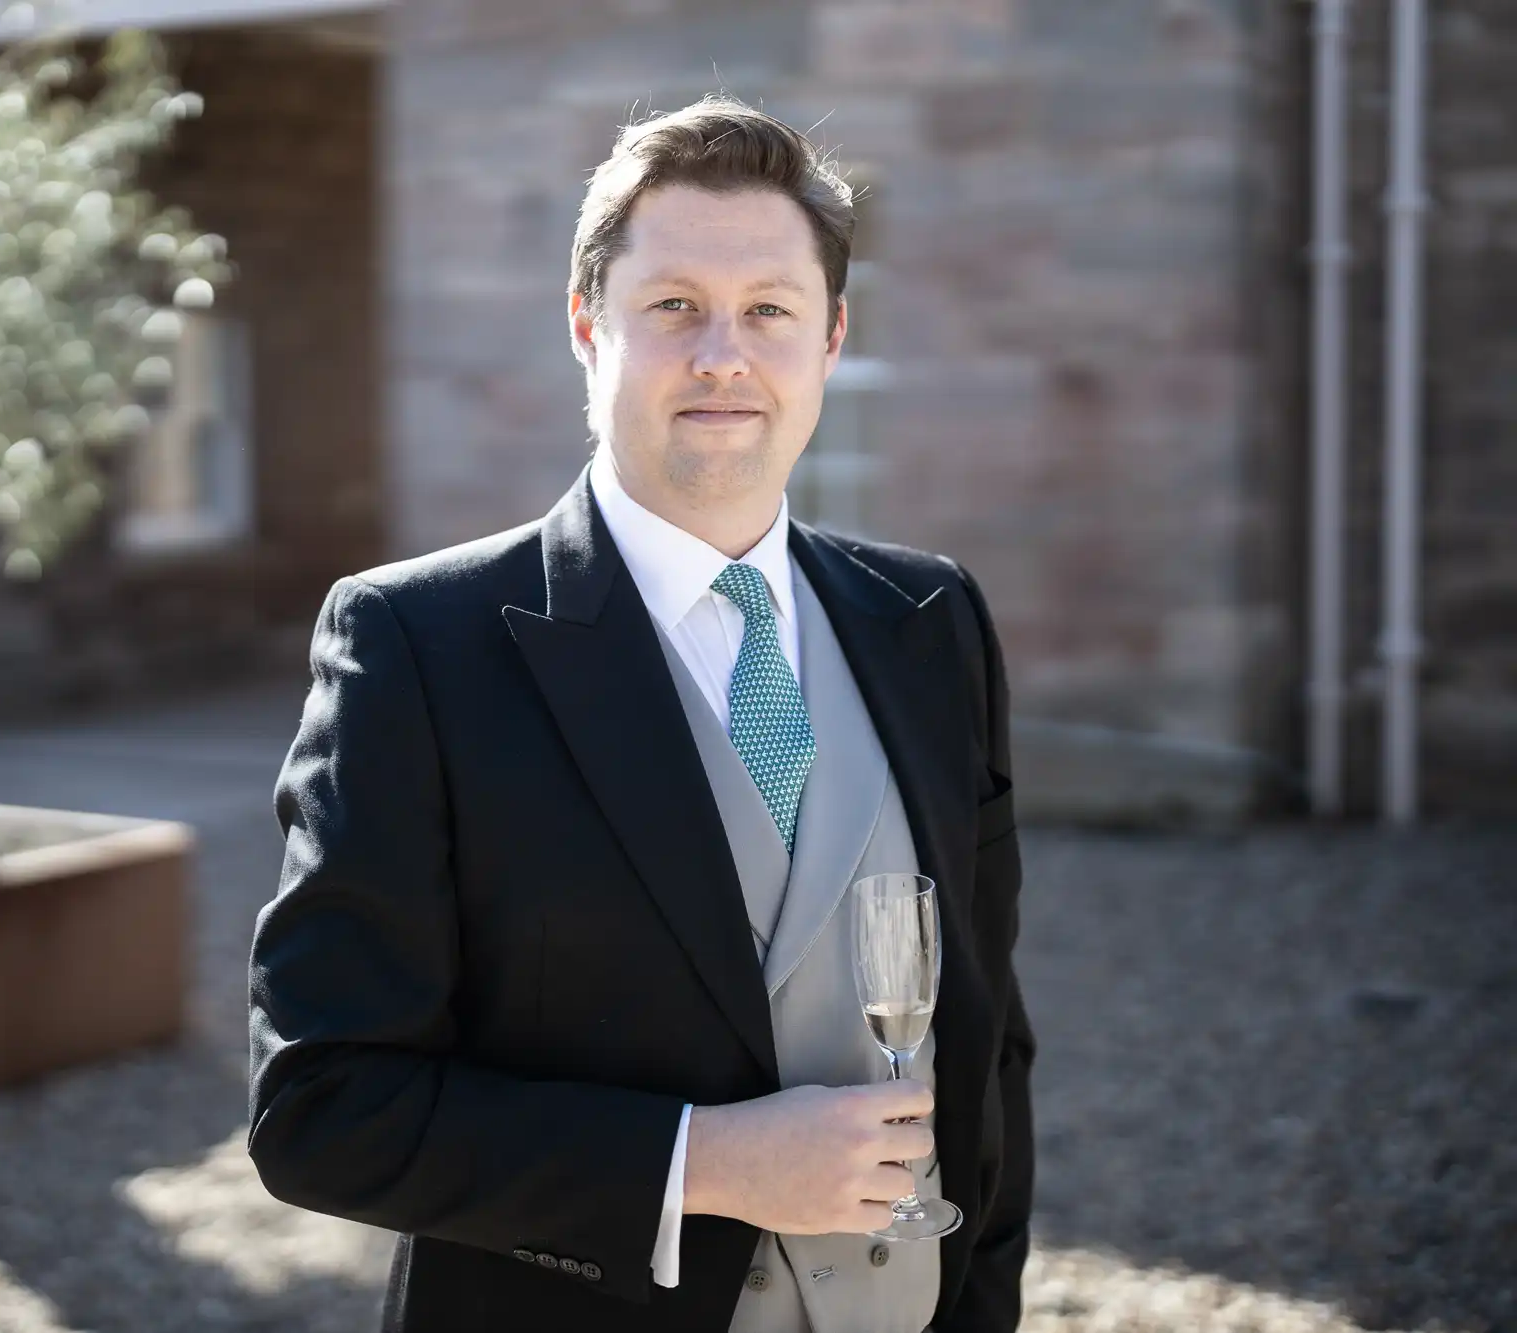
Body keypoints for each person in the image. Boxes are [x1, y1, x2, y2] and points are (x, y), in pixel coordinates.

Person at [247, 94, 1034, 1333]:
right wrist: (706, 1164)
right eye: (672, 306)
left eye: (767, 309)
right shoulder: (417, 645)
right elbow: (321, 1111)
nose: (722, 350)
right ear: (585, 324)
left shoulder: (929, 620)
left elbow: (989, 1045)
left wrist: (981, 1300)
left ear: (830, 338)